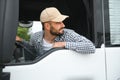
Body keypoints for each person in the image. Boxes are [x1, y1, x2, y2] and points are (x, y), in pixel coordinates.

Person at [16, 7, 95, 56]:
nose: (63, 25)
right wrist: (21, 41)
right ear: (47, 26)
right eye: (58, 22)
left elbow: (91, 47)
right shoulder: (35, 37)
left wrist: (64, 44)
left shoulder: (67, 34)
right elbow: (34, 52)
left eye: (62, 21)